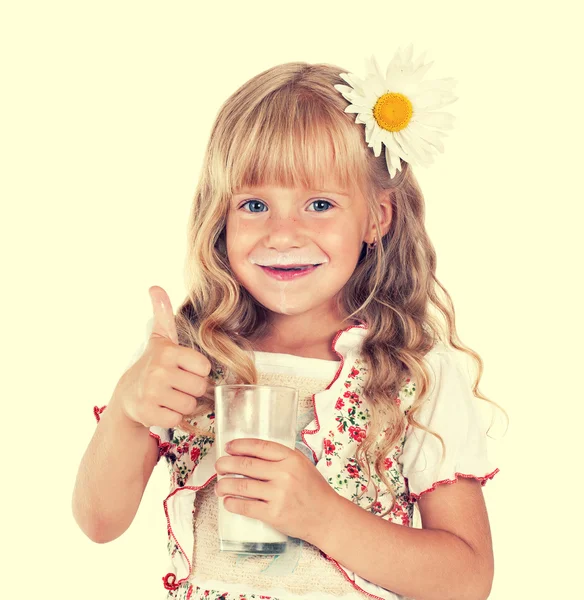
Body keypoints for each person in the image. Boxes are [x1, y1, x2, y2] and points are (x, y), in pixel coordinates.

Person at [73, 44, 507, 600]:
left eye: (319, 204)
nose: (283, 234)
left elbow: (467, 581)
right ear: (220, 217)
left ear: (377, 216)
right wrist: (129, 407)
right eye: (254, 205)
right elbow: (98, 521)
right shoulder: (189, 354)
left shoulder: (412, 373)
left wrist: (321, 515)